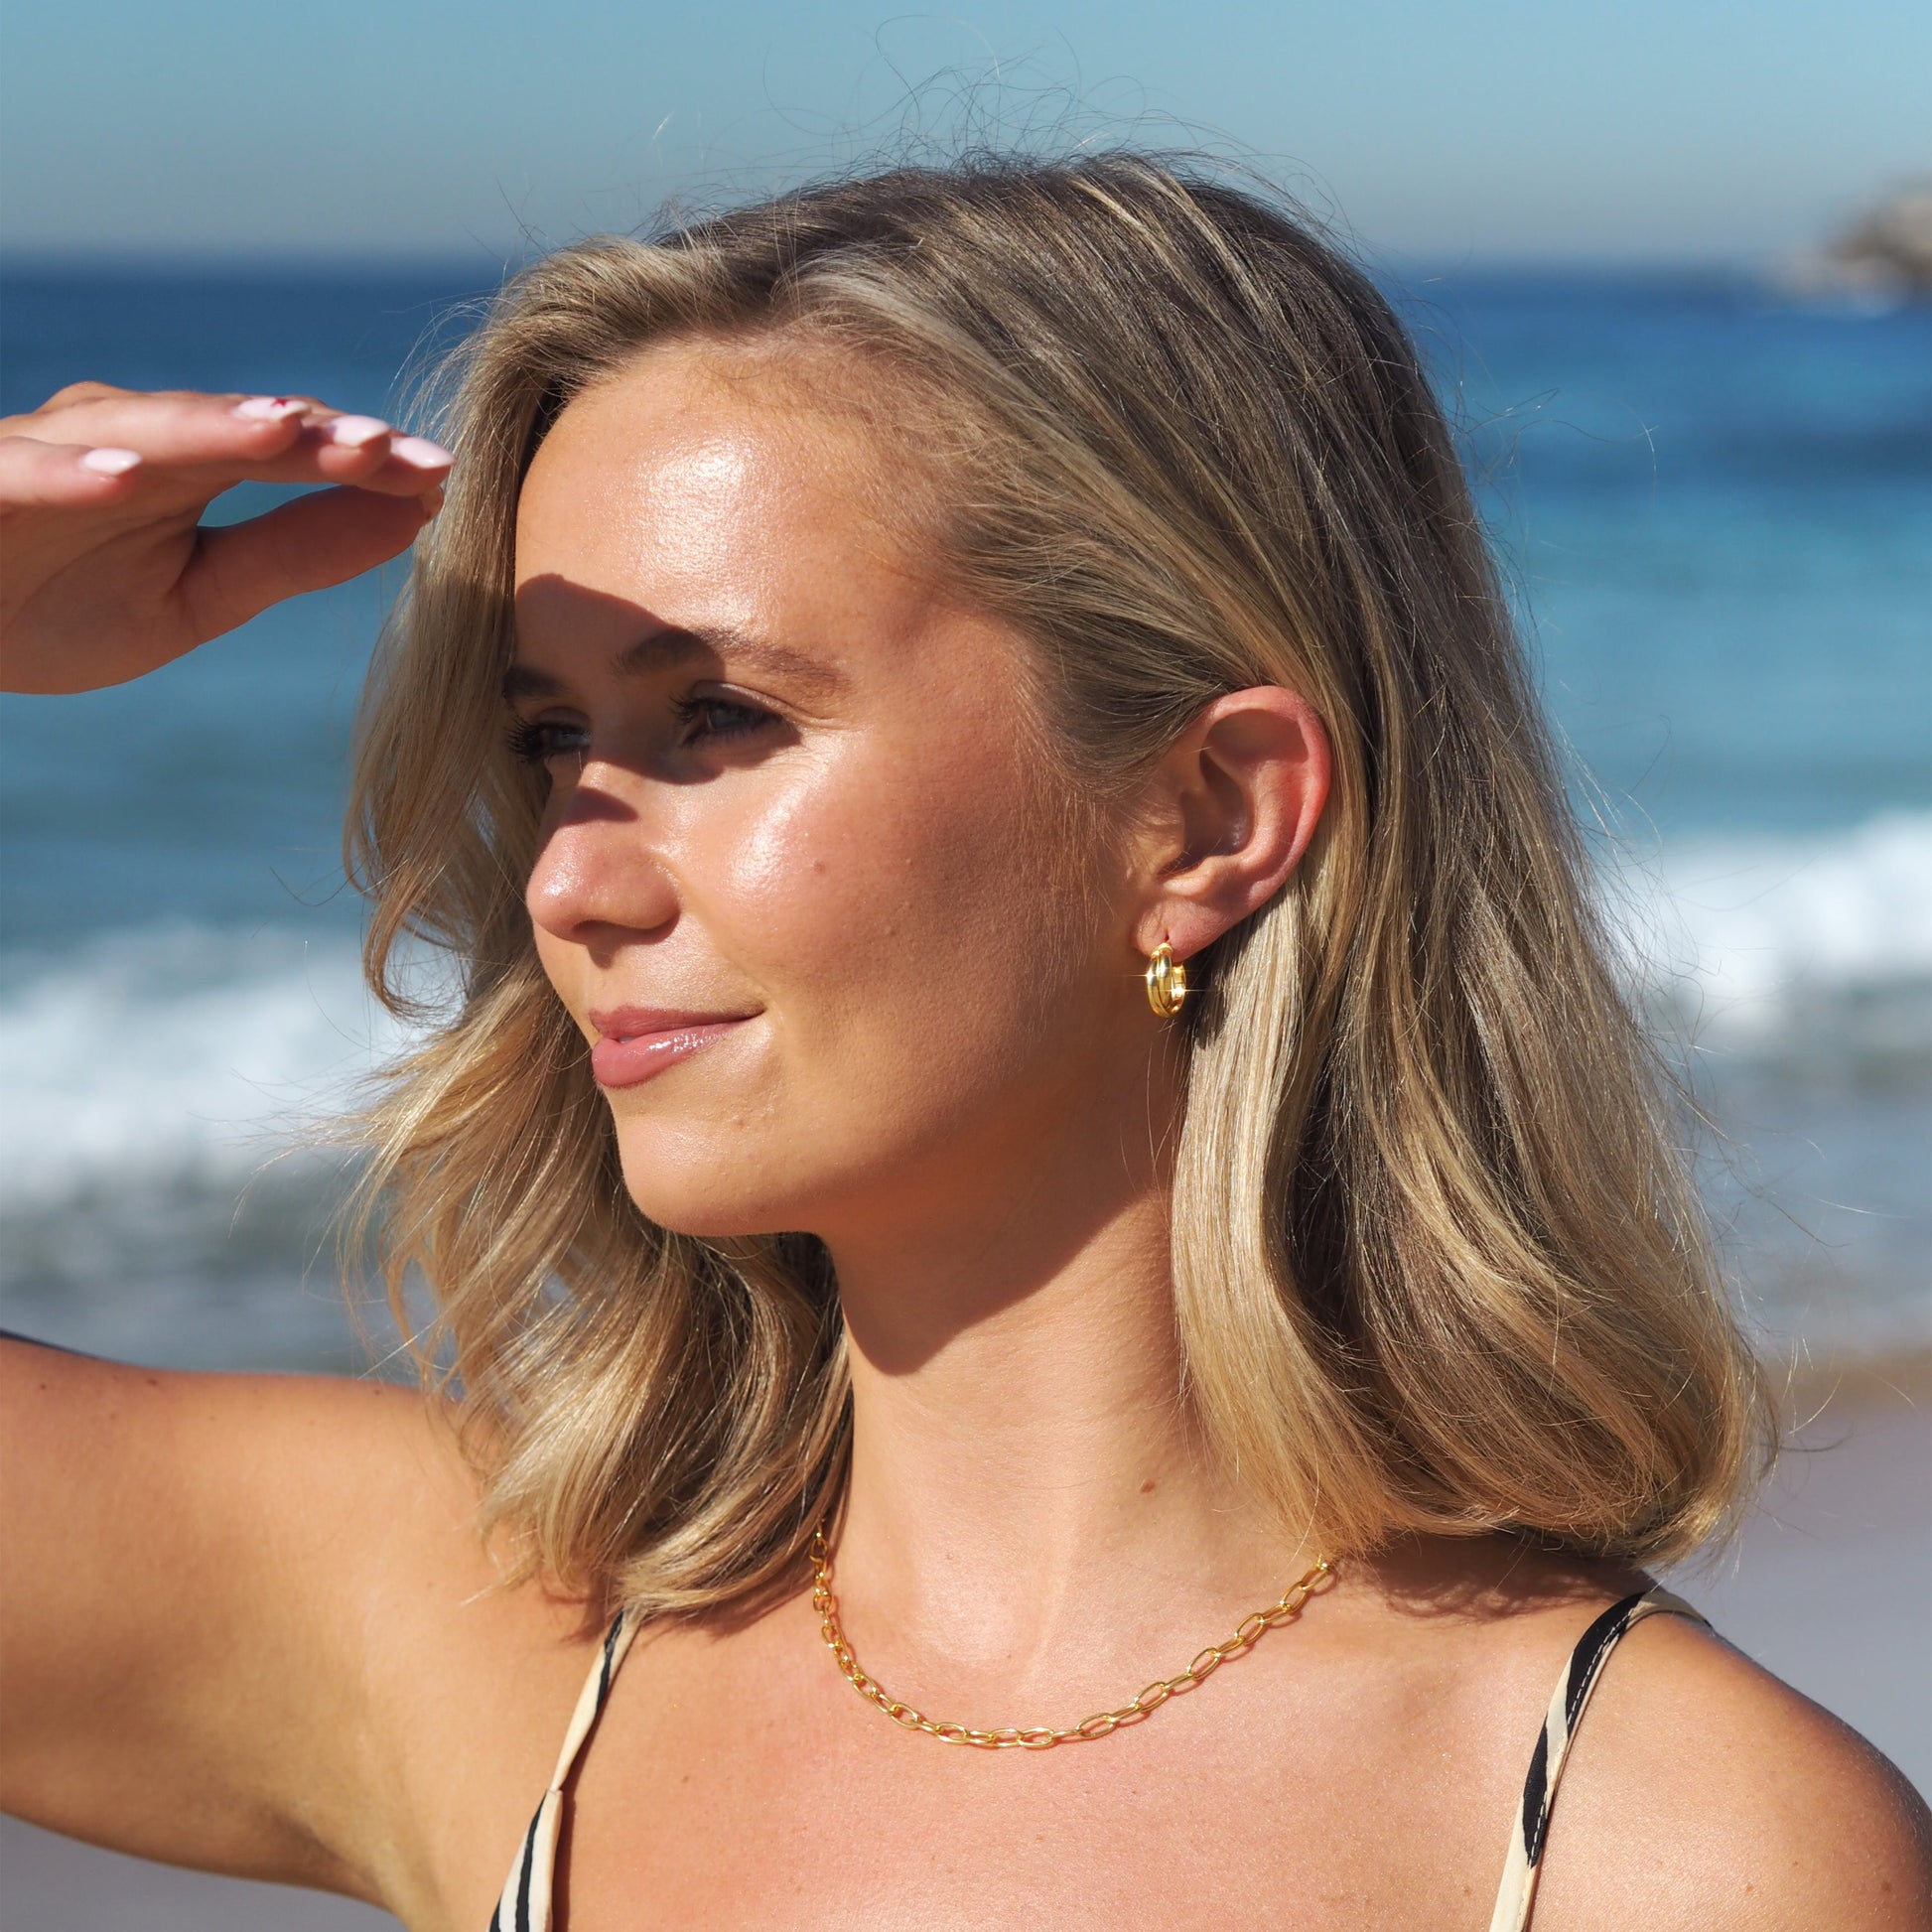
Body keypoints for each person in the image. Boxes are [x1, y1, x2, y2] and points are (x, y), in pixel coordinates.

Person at [0, 154, 1925, 1932]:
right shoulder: (482, 1628)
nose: (568, 878)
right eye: (550, 738)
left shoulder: (1671, 1849)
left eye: (718, 716)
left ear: (1207, 815)